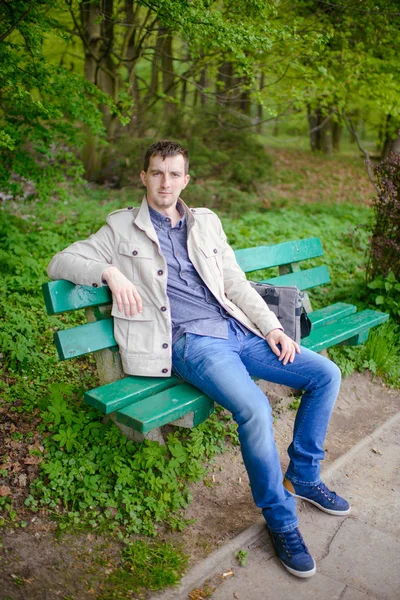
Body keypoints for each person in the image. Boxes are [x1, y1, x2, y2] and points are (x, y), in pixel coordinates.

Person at [47, 140, 350, 578]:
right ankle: (281, 520)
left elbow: (235, 283)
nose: (165, 182)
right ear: (143, 177)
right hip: (192, 345)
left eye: (174, 174)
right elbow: (61, 260)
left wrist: (273, 328)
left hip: (238, 330)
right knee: (254, 408)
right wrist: (108, 272)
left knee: (325, 373)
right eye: (157, 173)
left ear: (186, 179)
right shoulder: (120, 229)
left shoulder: (205, 222)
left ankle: (303, 474)